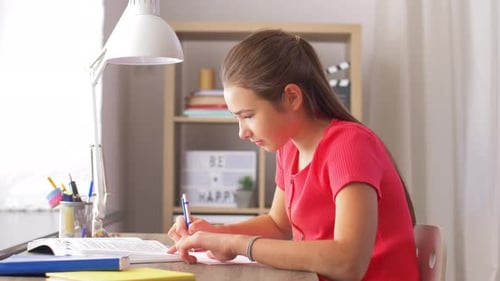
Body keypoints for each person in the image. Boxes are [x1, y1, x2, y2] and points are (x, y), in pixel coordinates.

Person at [168, 29, 419, 281]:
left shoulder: (350, 145)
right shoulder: (290, 147)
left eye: (248, 116)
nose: (242, 132)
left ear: (291, 97)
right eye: (237, 118)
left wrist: (236, 243)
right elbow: (278, 225)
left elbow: (348, 263)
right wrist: (216, 235)